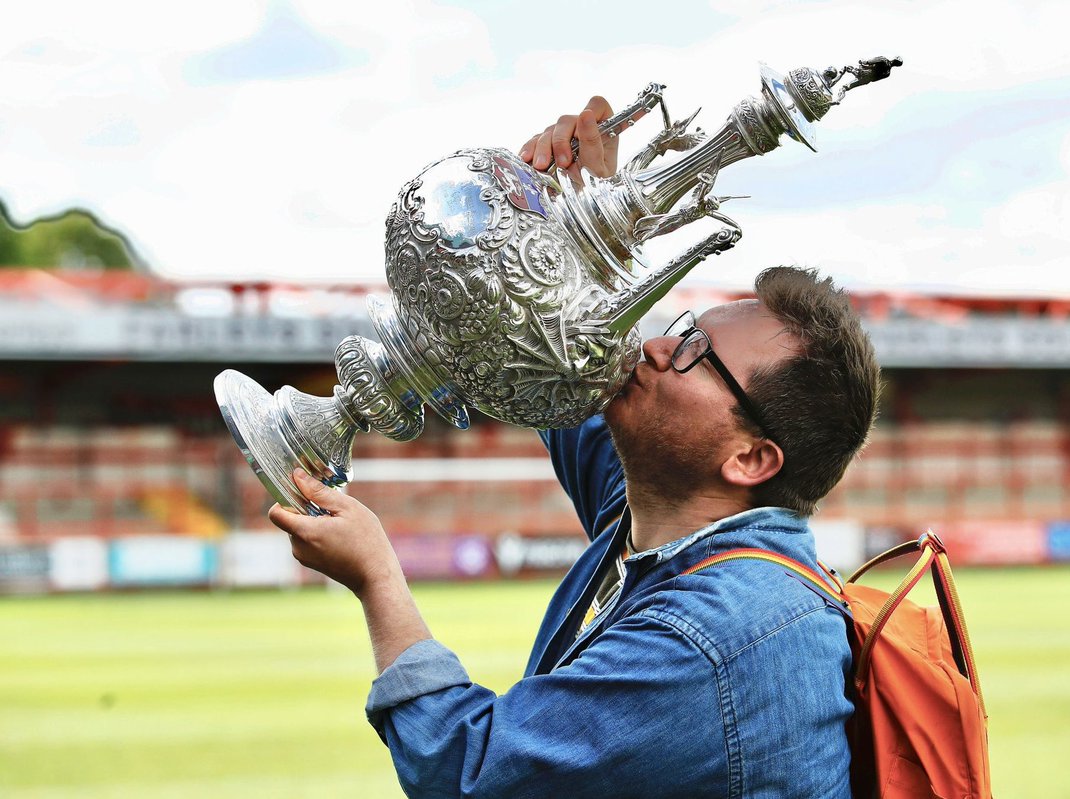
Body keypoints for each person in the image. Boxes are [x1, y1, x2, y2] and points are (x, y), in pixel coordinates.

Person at [269, 98, 881, 798]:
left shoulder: (716, 635)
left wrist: (377, 577)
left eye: (694, 353)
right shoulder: (668, 521)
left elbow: (468, 770)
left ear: (750, 459)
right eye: (684, 326)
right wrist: (578, 236)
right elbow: (550, 371)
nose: (657, 345)